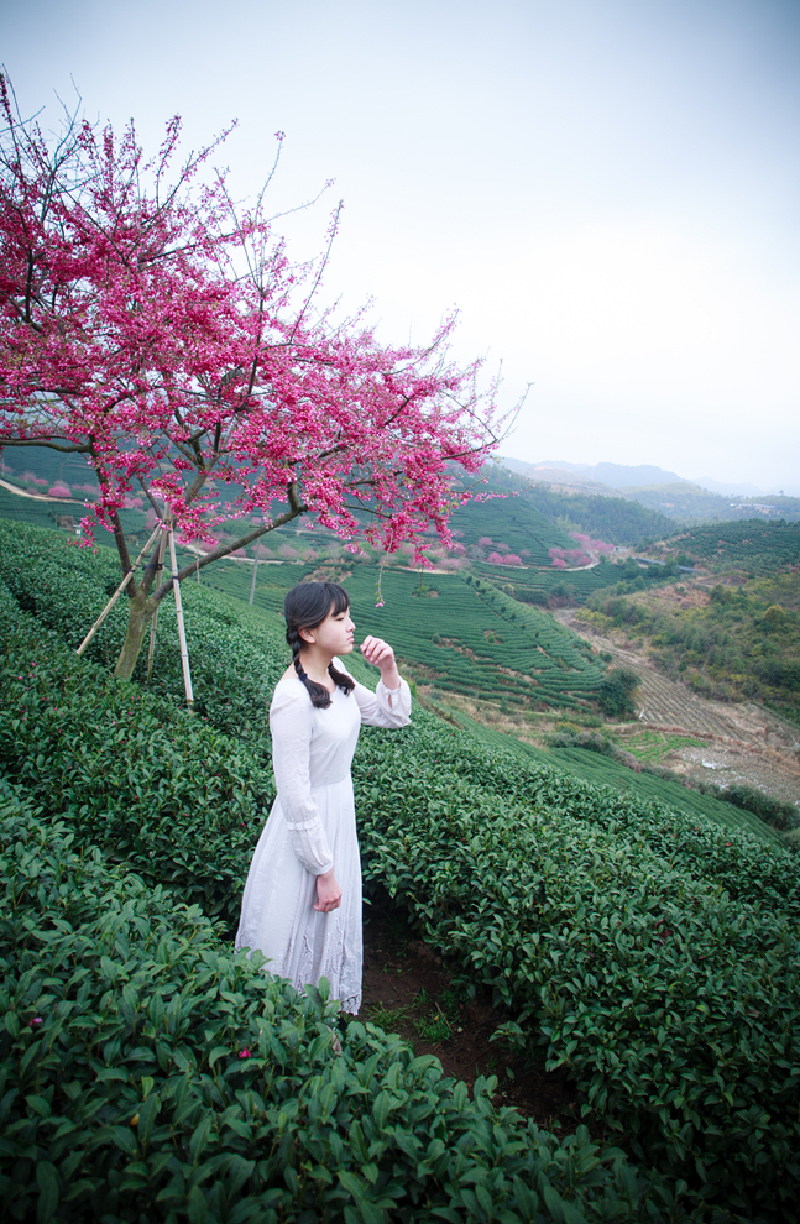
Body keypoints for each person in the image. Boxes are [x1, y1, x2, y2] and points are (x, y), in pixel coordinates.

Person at [235, 580, 411, 1014]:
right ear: (309, 632)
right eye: (340, 618)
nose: (352, 626)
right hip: (307, 828)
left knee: (323, 922)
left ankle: (315, 1018)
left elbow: (394, 716)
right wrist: (323, 867)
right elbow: (295, 796)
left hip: (337, 813)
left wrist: (388, 668)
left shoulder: (341, 679)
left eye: (349, 616)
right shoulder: (293, 698)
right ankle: (277, 1022)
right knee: (292, 917)